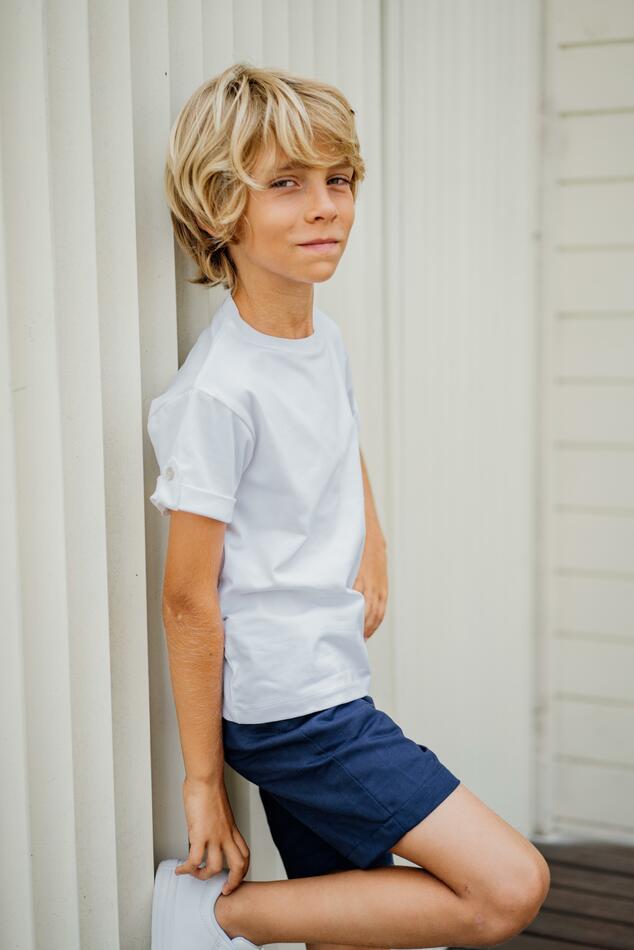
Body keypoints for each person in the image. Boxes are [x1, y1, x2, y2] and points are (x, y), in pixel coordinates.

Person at [147, 62, 550, 950]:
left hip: (328, 674)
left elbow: (338, 433)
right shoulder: (218, 393)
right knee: (507, 887)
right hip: (295, 712)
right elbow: (186, 598)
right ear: (220, 208)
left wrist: (375, 542)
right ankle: (218, 917)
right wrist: (203, 783)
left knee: (349, 918)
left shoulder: (317, 336)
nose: (325, 207)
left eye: (339, 180)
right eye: (286, 185)